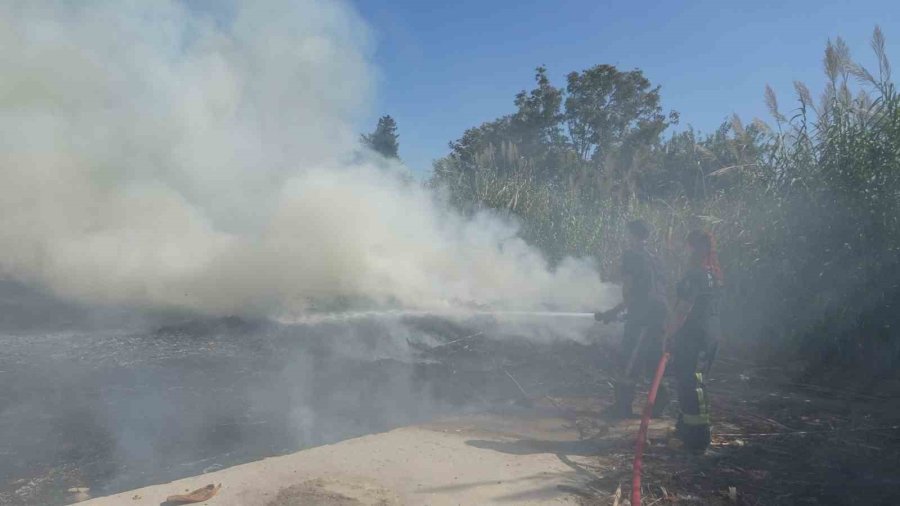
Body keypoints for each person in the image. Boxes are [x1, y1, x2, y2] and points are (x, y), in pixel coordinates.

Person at [595, 219, 669, 418]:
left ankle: (623, 407)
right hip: (660, 316)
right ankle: (658, 404)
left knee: (628, 361)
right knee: (653, 360)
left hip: (642, 318)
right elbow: (659, 289)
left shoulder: (631, 256)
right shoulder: (656, 258)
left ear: (632, 235)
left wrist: (613, 312)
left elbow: (630, 292)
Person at [666, 229, 723, 453]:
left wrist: (668, 334)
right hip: (708, 335)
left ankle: (698, 439)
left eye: (686, 245)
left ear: (692, 248)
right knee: (692, 383)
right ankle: (686, 428)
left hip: (695, 337)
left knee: (692, 384)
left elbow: (683, 310)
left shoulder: (694, 276)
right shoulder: (713, 274)